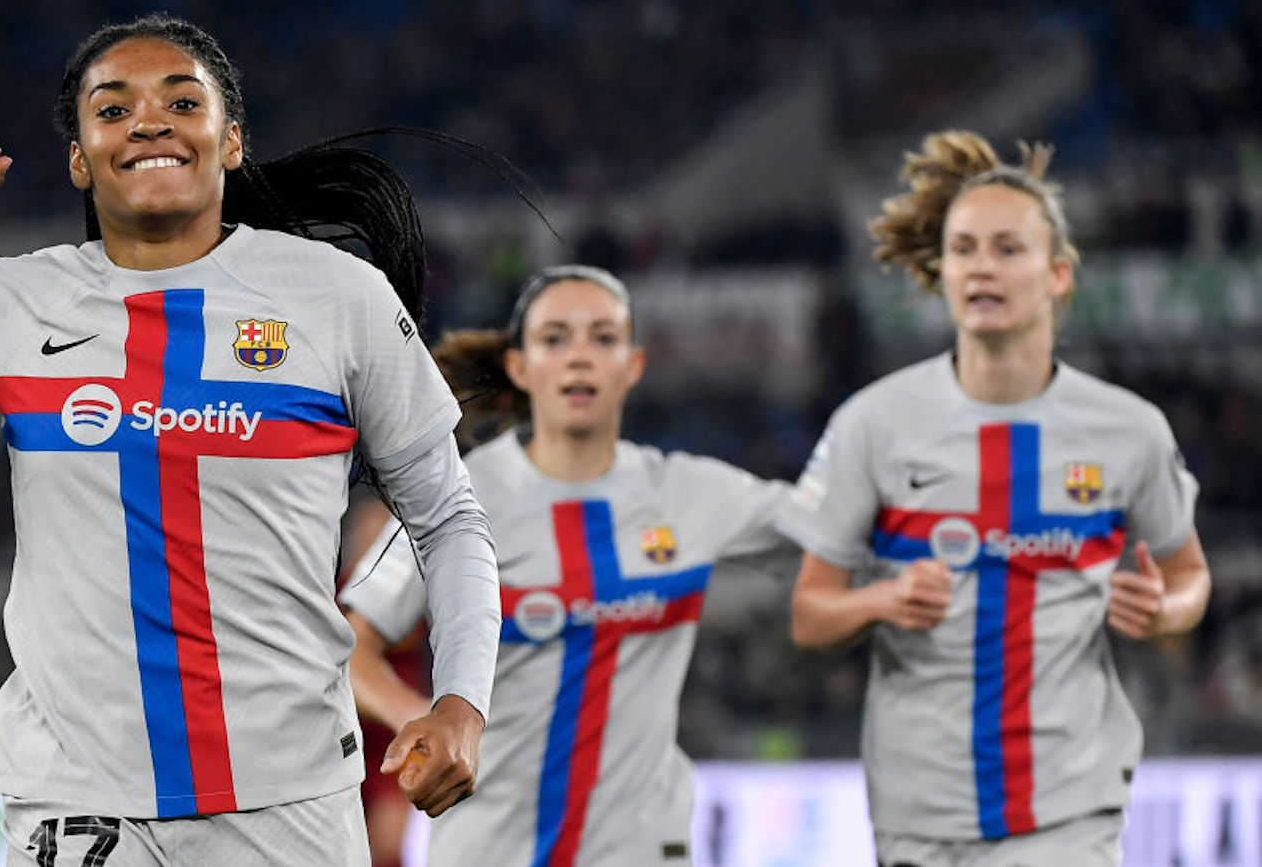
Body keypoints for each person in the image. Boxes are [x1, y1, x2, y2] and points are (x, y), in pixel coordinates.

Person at [0, 14, 501, 867]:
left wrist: (462, 700)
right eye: (113, 109)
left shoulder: (338, 299)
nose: (149, 121)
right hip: (76, 813)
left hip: (286, 808)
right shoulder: (11, 303)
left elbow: (448, 518)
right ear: (82, 160)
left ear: (230, 141)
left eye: (181, 101)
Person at [779, 131, 1211, 867]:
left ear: (1059, 275)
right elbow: (809, 615)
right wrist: (879, 602)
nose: (983, 266)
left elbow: (1189, 573)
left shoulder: (1130, 431)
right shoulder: (873, 424)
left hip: (1070, 809)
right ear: (941, 272)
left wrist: (1167, 609)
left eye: (1009, 248)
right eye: (965, 248)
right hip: (921, 816)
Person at [339, 265, 793, 866]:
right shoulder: (455, 502)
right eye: (555, 338)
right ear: (519, 366)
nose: (579, 356)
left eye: (602, 337)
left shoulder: (694, 493)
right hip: (490, 846)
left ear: (633, 365)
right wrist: (424, 720)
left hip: (643, 849)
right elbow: (348, 648)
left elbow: (837, 516)